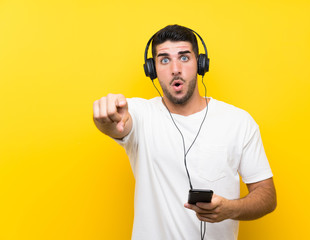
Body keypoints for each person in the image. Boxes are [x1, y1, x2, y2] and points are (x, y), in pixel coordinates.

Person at [93, 25, 277, 240]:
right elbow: (117, 125)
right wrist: (106, 119)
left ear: (200, 64)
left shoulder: (239, 122)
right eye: (164, 60)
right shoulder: (140, 114)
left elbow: (267, 196)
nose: (175, 69)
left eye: (184, 58)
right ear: (152, 70)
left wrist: (231, 209)